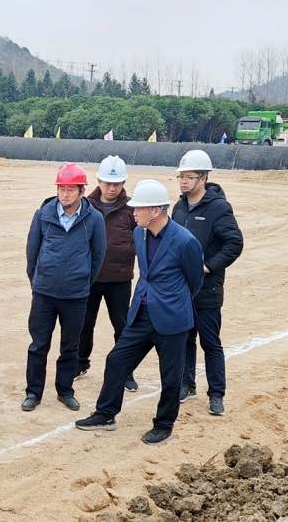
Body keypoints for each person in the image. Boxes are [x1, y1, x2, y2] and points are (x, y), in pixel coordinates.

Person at [75, 179, 203, 445]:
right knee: (116, 361)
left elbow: (195, 281)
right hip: (142, 314)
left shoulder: (185, 241)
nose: (133, 213)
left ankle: (164, 425)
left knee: (170, 377)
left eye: (139, 209)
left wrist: (171, 301)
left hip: (172, 319)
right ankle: (106, 414)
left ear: (155, 211)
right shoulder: (139, 234)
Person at [22, 163, 106, 413]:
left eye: (71, 190)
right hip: (44, 294)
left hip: (75, 295)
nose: (65, 194)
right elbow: (32, 251)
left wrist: (82, 282)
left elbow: (98, 256)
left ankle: (65, 391)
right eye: (61, 189)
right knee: (38, 345)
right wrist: (38, 280)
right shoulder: (43, 214)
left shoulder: (94, 219)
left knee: (70, 346)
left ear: (82, 191)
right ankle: (33, 392)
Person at [171, 150, 243, 416]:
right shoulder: (179, 207)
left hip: (207, 288)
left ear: (203, 178)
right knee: (185, 339)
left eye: (189, 177)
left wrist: (208, 266)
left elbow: (234, 243)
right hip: (183, 287)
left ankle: (216, 394)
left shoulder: (218, 208)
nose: (184, 181)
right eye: (181, 177)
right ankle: (186, 384)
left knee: (210, 342)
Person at [76, 155, 139, 391]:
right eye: (108, 183)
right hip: (90, 278)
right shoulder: (85, 205)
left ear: (123, 183)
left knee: (123, 327)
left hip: (120, 279)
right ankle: (79, 363)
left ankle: (125, 371)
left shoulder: (132, 208)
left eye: (117, 183)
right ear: (99, 181)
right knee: (84, 324)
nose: (112, 188)